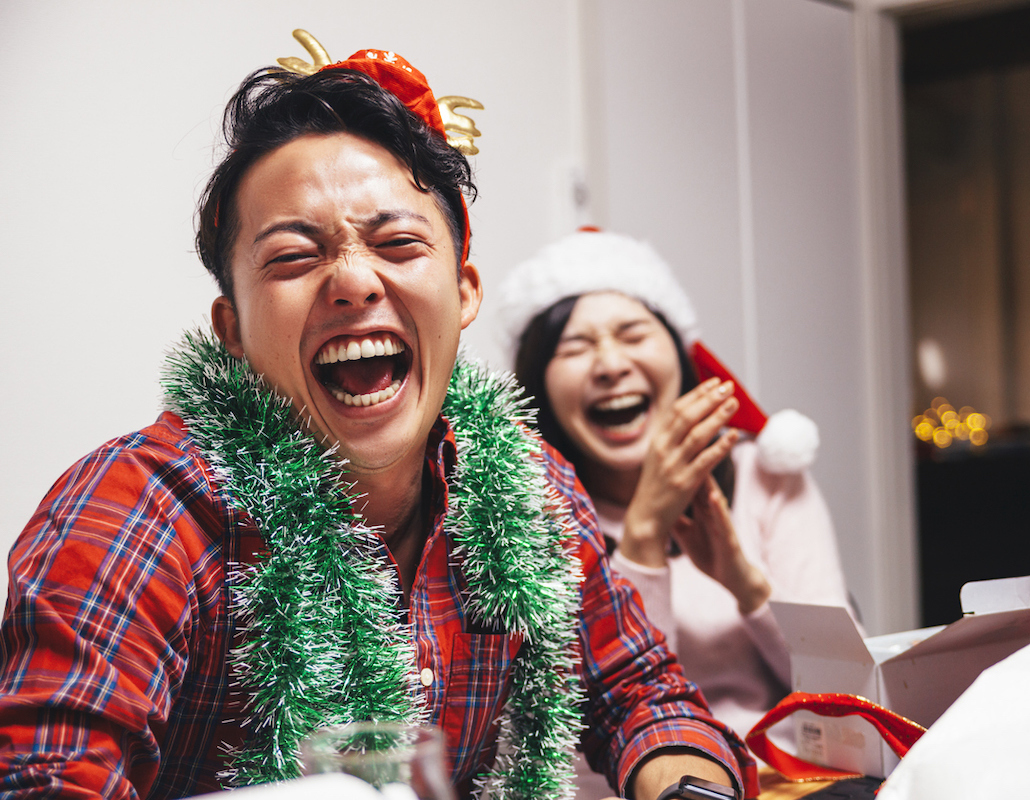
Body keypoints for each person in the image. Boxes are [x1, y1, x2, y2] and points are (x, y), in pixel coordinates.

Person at [0, 38, 755, 800]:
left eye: (397, 244)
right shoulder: (140, 506)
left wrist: (683, 784)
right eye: (295, 257)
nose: (355, 280)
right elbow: (47, 779)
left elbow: (646, 697)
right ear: (230, 331)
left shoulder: (527, 489)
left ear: (463, 294)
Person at [497, 230, 857, 771]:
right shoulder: (521, 514)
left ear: (678, 353)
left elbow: (852, 695)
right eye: (575, 347)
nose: (610, 364)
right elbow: (579, 732)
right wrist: (642, 535)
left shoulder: (769, 476)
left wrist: (745, 582)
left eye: (633, 333)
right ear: (540, 385)